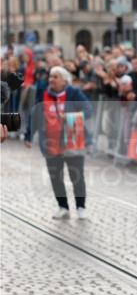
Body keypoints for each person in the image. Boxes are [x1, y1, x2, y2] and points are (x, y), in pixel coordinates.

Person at [32, 66, 94, 220]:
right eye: (51, 76)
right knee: (55, 177)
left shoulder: (74, 93)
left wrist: (73, 116)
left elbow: (88, 109)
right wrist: (28, 134)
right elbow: (35, 113)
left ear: (65, 80)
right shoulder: (43, 94)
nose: (51, 79)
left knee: (77, 176)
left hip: (72, 140)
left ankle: (81, 207)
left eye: (56, 77)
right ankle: (63, 207)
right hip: (51, 142)